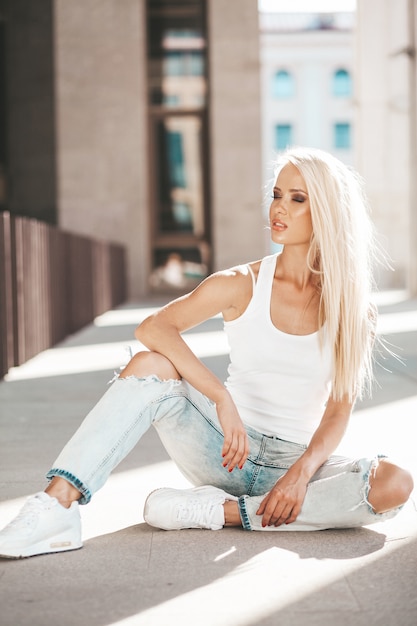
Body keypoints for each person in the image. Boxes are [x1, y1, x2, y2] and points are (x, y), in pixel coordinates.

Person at [0, 147, 413, 558]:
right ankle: (56, 506)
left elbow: (338, 410)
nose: (279, 208)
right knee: (149, 364)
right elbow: (154, 327)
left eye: (297, 198)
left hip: (296, 461)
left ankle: (224, 512)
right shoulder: (240, 282)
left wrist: (300, 474)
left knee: (393, 483)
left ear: (327, 211)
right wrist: (220, 397)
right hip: (223, 450)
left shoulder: (355, 310)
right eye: (276, 194)